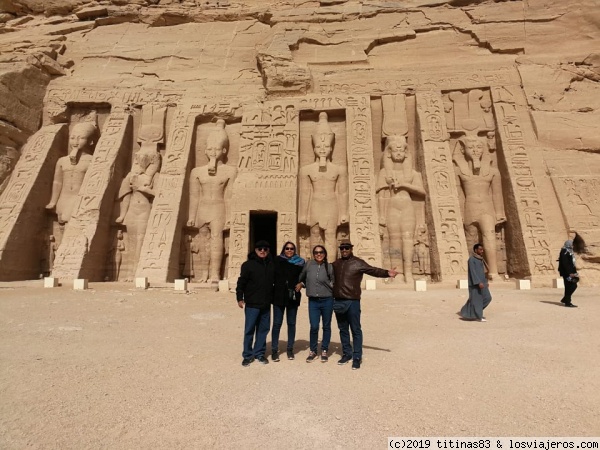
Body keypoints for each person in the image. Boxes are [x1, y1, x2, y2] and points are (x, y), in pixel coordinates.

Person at [332, 240, 398, 370]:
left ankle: (357, 356)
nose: (344, 250)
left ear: (351, 249)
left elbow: (372, 270)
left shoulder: (357, 262)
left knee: (355, 329)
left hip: (352, 300)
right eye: (342, 248)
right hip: (339, 300)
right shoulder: (336, 264)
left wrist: (386, 273)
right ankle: (347, 353)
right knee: (343, 329)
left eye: (346, 248)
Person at [188, 120, 237, 282]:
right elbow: (194, 196)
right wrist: (191, 215)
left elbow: (229, 197)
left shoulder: (230, 171)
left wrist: (230, 216)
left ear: (223, 150)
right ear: (205, 151)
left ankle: (215, 273)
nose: (213, 152)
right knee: (202, 240)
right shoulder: (197, 172)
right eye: (209, 149)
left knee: (217, 237)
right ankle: (203, 273)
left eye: (216, 149)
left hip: (219, 207)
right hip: (202, 207)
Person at [298, 112, 349, 260]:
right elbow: (305, 192)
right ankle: (316, 267)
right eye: (319, 146)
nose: (322, 149)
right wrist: (302, 214)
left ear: (331, 148)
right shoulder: (306, 170)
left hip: (332, 204)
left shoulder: (339, 169)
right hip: (315, 204)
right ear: (314, 148)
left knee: (331, 236)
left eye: (326, 145)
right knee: (314, 236)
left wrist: (344, 212)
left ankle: (331, 267)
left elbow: (342, 192)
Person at [46, 122, 98, 224]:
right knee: (61, 224)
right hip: (63, 198)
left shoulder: (92, 161)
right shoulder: (62, 161)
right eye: (73, 138)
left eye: (81, 138)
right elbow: (57, 182)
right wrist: (53, 201)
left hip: (77, 199)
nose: (76, 142)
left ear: (91, 141)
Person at [236, 240, 275, 367]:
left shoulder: (271, 264)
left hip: (265, 303)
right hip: (252, 303)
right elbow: (241, 282)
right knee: (249, 330)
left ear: (268, 251)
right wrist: (239, 297)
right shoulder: (248, 265)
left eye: (265, 249)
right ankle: (247, 355)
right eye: (260, 249)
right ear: (255, 250)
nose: (262, 251)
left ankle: (259, 353)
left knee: (263, 330)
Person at [296, 245, 335, 363]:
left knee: (326, 326)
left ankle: (324, 349)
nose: (319, 254)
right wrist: (302, 284)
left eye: (321, 252)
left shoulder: (329, 267)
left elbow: (334, 281)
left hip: (327, 299)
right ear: (313, 254)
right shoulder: (308, 265)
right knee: (314, 326)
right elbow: (301, 277)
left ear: (325, 253)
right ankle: (313, 350)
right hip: (313, 301)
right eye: (316, 252)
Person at [271, 241, 305, 362]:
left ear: (294, 250)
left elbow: (305, 276)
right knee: (276, 324)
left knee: (291, 323)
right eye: (287, 249)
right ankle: (274, 350)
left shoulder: (300, 262)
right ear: (283, 249)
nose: (289, 251)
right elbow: (270, 276)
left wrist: (302, 283)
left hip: (293, 296)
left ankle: (290, 348)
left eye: (291, 249)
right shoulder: (277, 260)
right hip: (278, 296)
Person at [459, 243, 492, 321]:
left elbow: (483, 271)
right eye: (480, 249)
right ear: (475, 250)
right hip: (475, 284)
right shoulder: (471, 259)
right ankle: (478, 315)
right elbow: (473, 272)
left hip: (483, 282)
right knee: (476, 300)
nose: (482, 251)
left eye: (482, 249)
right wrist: (478, 282)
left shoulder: (480, 259)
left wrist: (485, 281)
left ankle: (468, 311)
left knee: (488, 298)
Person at [558, 239, 579, 308]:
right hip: (566, 273)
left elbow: (572, 263)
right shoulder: (564, 251)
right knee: (570, 286)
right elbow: (565, 263)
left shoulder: (569, 251)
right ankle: (567, 301)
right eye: (572, 244)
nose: (573, 245)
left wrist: (575, 272)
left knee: (572, 286)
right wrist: (569, 273)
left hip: (571, 272)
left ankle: (565, 299)